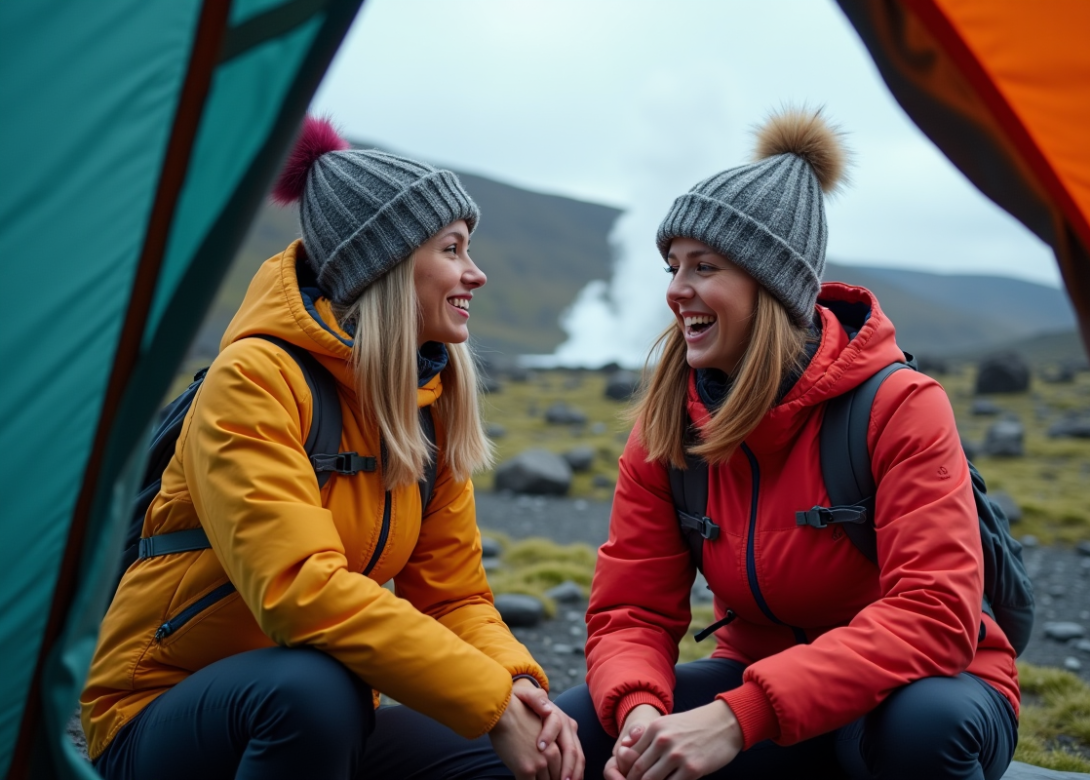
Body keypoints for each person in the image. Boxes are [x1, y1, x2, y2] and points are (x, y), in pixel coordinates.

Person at [81, 117, 583, 780]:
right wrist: (487, 704)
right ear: (388, 263)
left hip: (324, 719)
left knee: (515, 763)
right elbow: (300, 590)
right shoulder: (255, 379)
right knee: (312, 690)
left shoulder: (424, 407)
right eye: (453, 249)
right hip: (159, 716)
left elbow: (454, 597)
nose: (476, 274)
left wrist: (516, 686)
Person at [556, 109, 1020, 780]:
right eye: (672, 266)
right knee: (578, 736)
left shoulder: (901, 407)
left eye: (703, 266)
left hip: (926, 684)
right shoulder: (669, 426)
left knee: (923, 732)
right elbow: (632, 610)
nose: (675, 291)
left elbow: (935, 616)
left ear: (770, 284)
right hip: (759, 684)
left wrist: (737, 718)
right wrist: (638, 710)